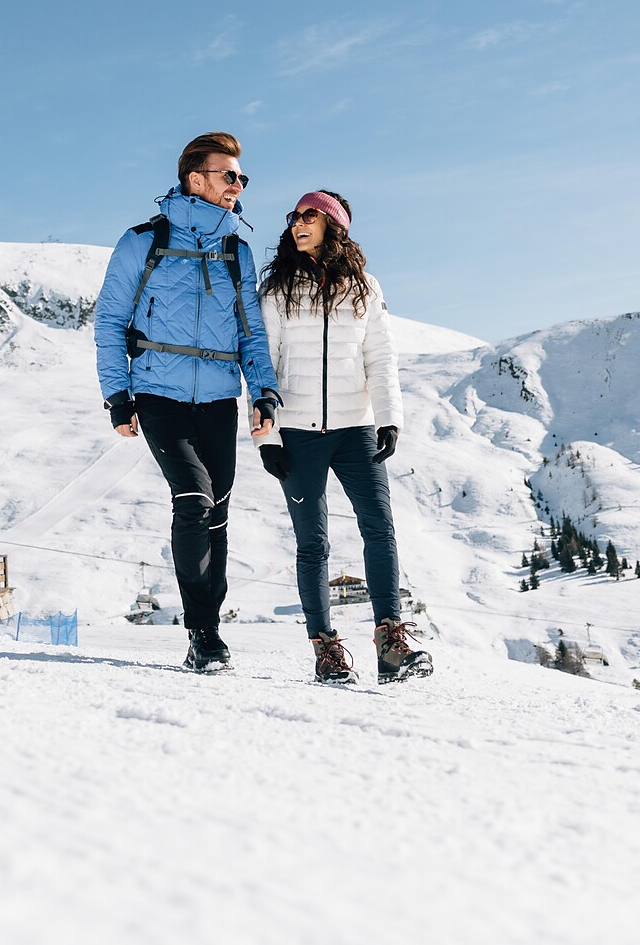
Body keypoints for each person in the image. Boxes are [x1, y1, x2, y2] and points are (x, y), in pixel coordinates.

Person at [96, 131, 280, 672]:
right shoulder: (142, 241)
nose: (238, 186)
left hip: (220, 398)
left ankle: (209, 630)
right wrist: (117, 394)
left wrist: (262, 389)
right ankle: (201, 632)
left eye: (242, 177)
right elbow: (109, 321)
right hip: (159, 395)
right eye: (230, 175)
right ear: (195, 179)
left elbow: (251, 332)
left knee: (217, 511)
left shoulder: (235, 251)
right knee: (195, 498)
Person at [255, 190, 430, 685]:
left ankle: (390, 643)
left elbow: (381, 358)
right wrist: (265, 439)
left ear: (333, 224)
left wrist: (390, 418)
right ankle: (325, 650)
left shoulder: (365, 288)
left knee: (380, 529)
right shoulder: (277, 290)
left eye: (309, 215)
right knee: (313, 543)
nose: (297, 223)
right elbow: (262, 365)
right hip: (297, 432)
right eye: (293, 217)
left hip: (357, 429)